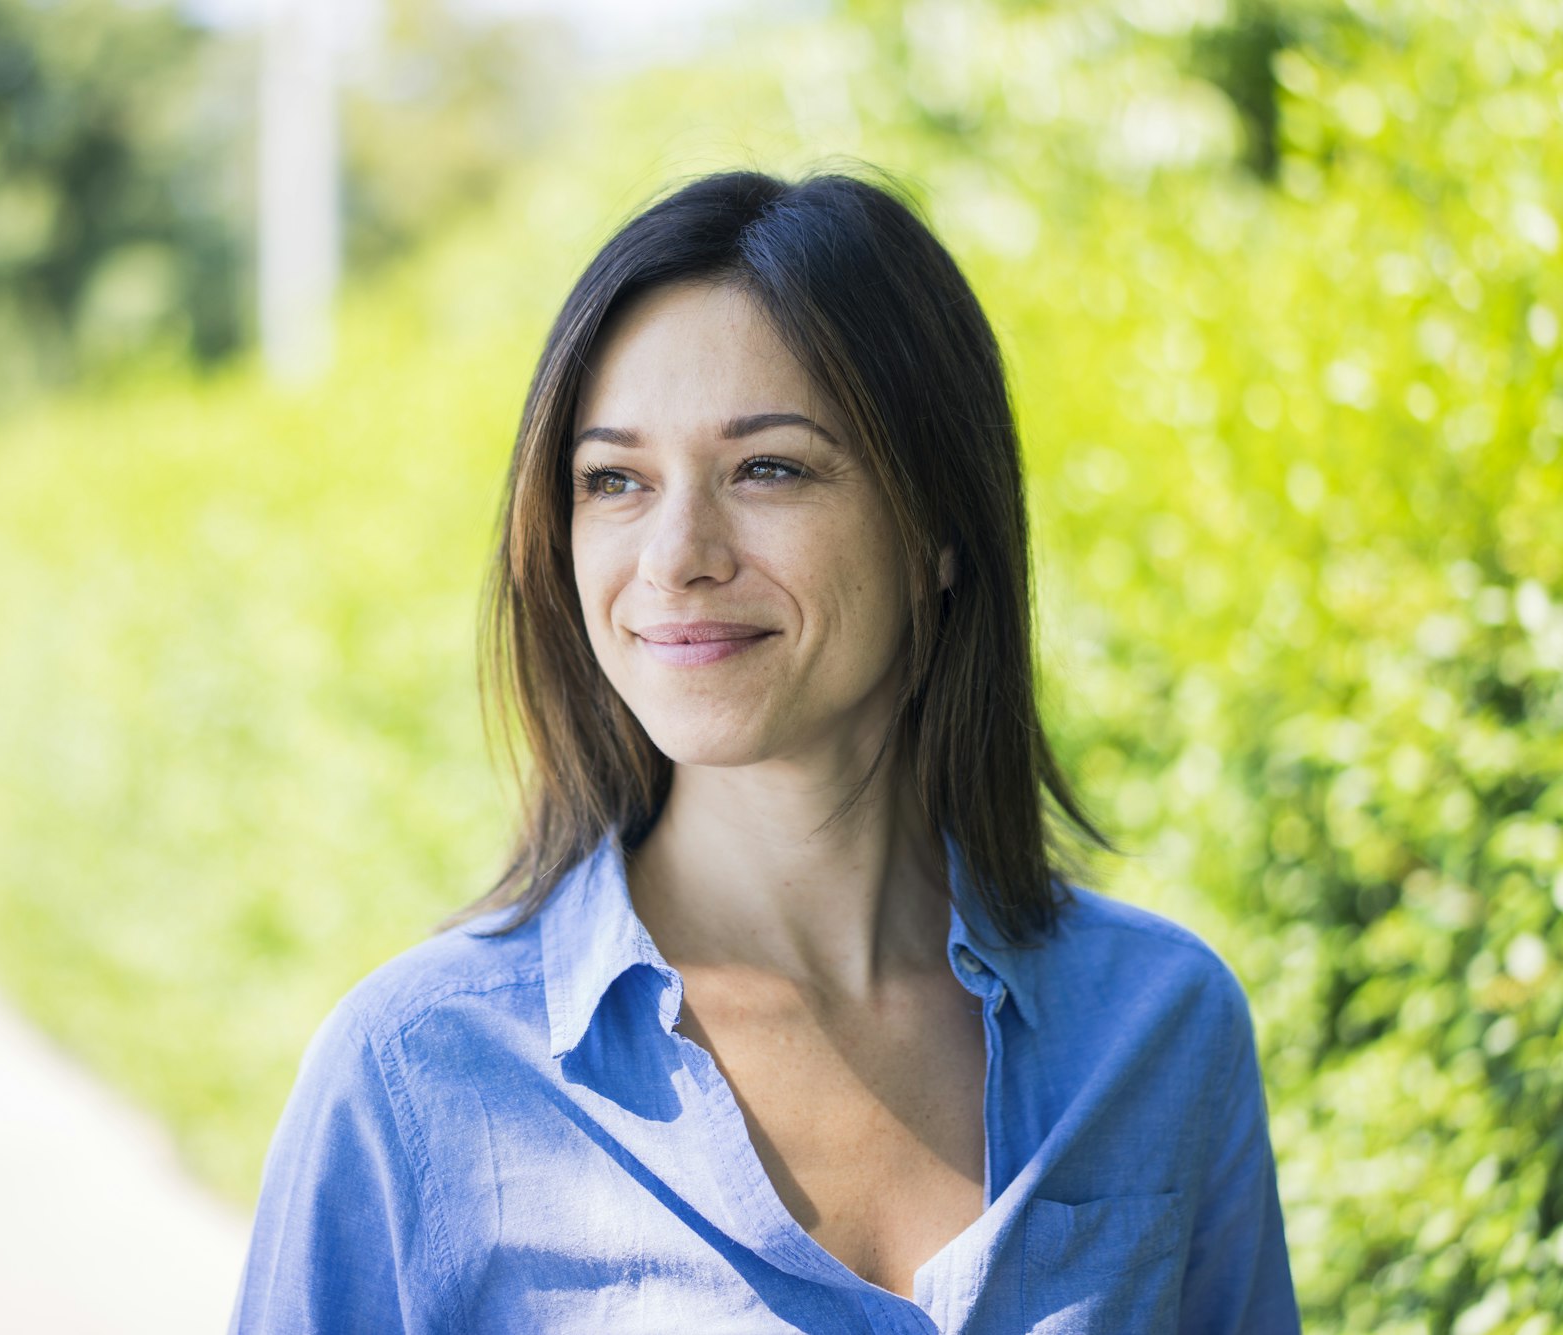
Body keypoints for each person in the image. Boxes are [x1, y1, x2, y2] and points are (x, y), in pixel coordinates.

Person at [228, 167, 1299, 1333]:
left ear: (937, 525)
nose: (676, 554)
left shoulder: (1160, 1027)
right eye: (614, 480)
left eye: (768, 468)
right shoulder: (416, 1075)